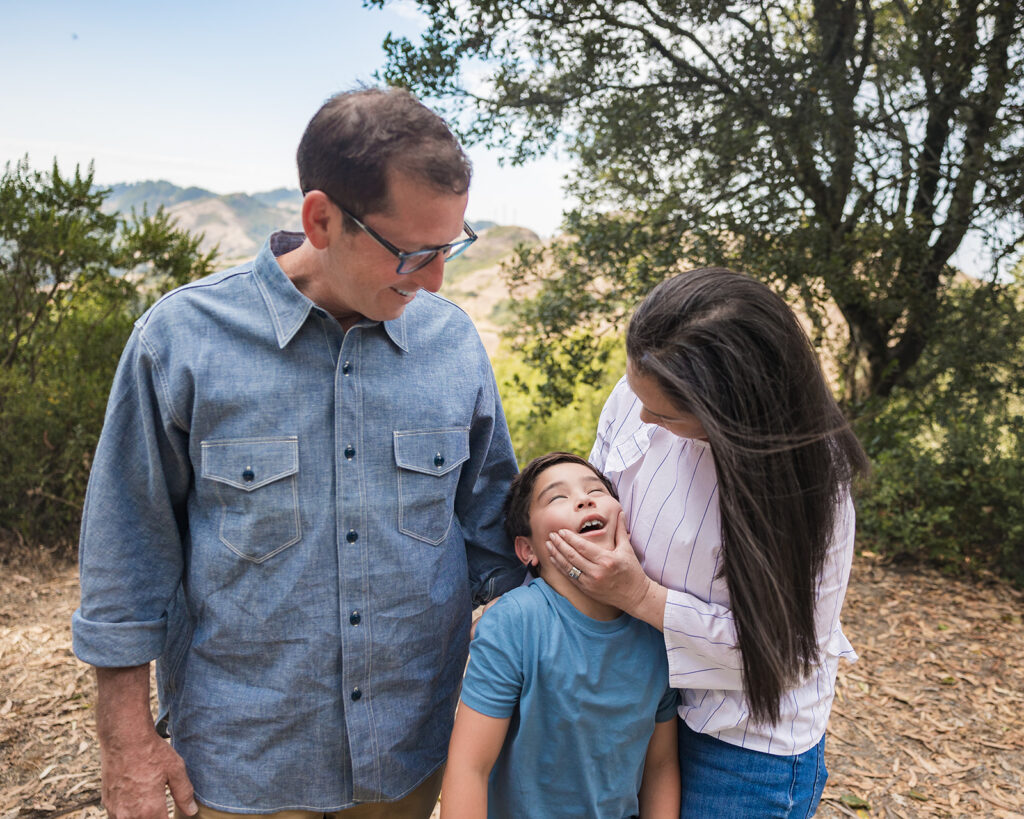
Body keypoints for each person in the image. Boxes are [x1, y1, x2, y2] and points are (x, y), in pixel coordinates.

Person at [71, 87, 525, 819]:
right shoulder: (181, 341)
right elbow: (127, 554)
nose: (438, 281)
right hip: (243, 759)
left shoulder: (453, 346)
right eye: (413, 253)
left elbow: (495, 539)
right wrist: (125, 744)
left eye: (450, 247)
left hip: (410, 753)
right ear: (321, 219)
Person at [546, 268, 869, 817]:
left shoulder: (815, 491)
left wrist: (640, 597)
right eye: (636, 393)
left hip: (740, 746)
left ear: (736, 415)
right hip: (639, 699)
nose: (642, 417)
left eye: (666, 414)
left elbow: (780, 657)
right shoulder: (635, 396)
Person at [441, 452, 680, 819]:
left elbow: (660, 766)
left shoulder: (655, 629)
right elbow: (469, 768)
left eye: (595, 490)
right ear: (528, 549)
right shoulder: (514, 625)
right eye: (557, 497)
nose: (583, 499)